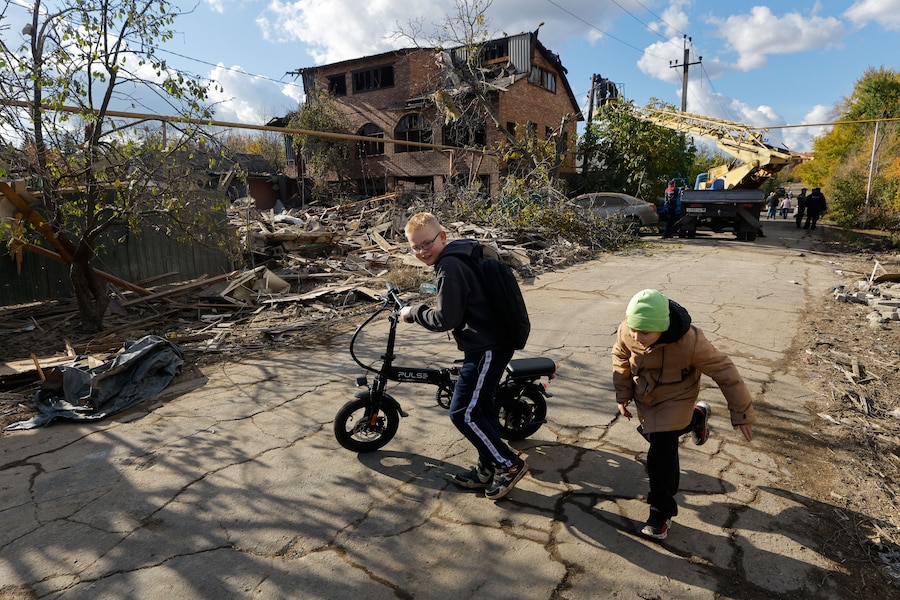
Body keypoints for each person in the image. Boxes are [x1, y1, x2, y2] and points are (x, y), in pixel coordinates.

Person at [399, 212, 528, 500]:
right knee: (481, 408)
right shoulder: (461, 252)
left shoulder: (449, 266)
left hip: (487, 347)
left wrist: (414, 312)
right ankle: (487, 467)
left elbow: (445, 318)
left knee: (463, 413)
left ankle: (508, 464)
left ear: (442, 236)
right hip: (491, 341)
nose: (421, 252)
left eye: (426, 244)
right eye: (415, 247)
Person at [612, 289, 755, 540]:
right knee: (659, 439)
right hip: (647, 396)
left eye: (644, 332)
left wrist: (741, 412)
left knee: (661, 452)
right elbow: (620, 359)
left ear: (662, 327)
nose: (637, 336)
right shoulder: (627, 331)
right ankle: (697, 416)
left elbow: (725, 371)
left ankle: (661, 512)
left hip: (678, 396)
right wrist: (623, 395)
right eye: (633, 328)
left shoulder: (691, 342)